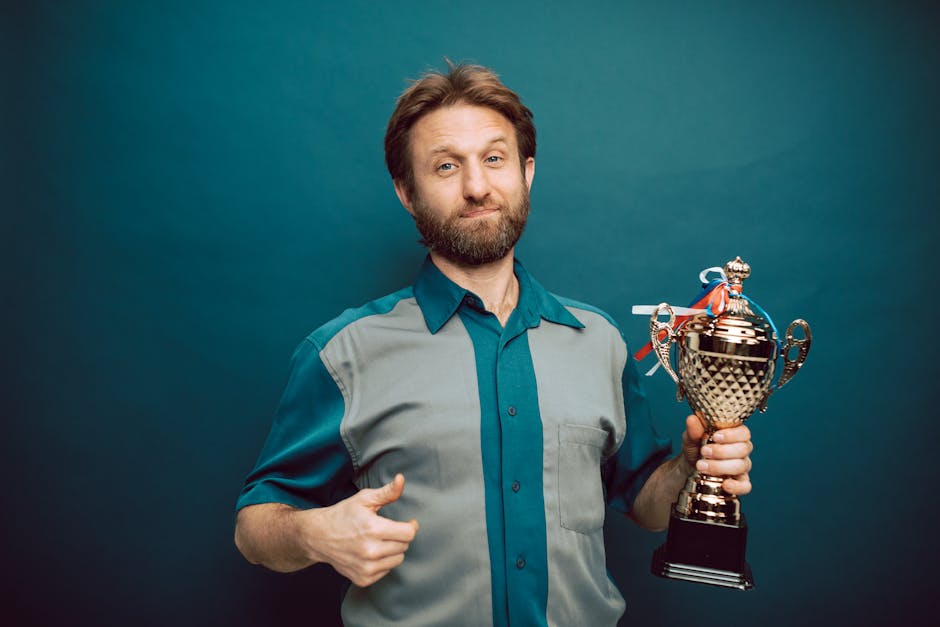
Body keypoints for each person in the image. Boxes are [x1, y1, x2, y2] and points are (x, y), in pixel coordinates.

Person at [234, 62, 753, 626]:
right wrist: (312, 533)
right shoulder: (343, 353)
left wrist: (690, 469)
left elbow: (647, 503)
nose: (477, 187)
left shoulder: (599, 342)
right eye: (446, 165)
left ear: (527, 173)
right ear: (407, 192)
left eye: (495, 158)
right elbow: (254, 527)